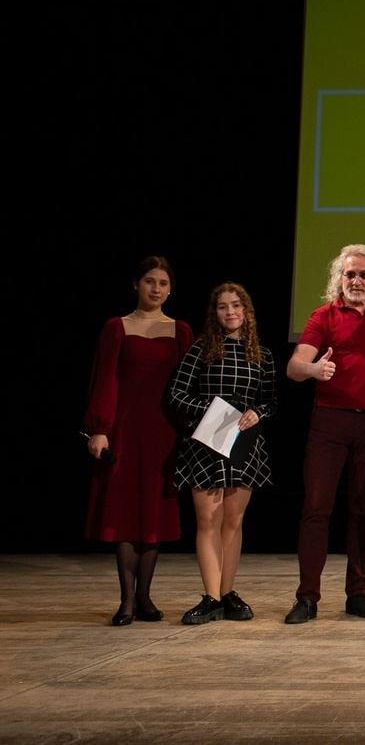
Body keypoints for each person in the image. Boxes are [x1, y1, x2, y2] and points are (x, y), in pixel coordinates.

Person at [284, 244, 365, 623]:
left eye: (364, 274)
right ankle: (307, 597)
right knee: (316, 509)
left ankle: (357, 594)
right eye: (350, 274)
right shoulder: (323, 316)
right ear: (340, 278)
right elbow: (295, 366)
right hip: (329, 424)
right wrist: (314, 370)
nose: (357, 280)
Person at [83, 256, 193, 626]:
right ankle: (127, 600)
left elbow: (188, 386)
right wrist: (100, 428)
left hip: (164, 433)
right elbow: (105, 380)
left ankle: (145, 595)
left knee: (154, 512)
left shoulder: (180, 331)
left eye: (163, 283)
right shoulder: (117, 327)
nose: (156, 289)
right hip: (125, 431)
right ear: (136, 284)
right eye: (149, 281)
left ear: (171, 289)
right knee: (125, 511)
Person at [168, 282, 277, 625]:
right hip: (207, 443)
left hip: (243, 444)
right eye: (222, 306)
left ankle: (227, 593)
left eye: (236, 305)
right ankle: (211, 597)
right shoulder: (201, 349)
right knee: (208, 521)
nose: (230, 312)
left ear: (247, 311)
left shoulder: (262, 355)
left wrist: (258, 413)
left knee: (233, 521)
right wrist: (212, 410)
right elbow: (176, 394)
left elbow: (270, 401)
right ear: (214, 313)